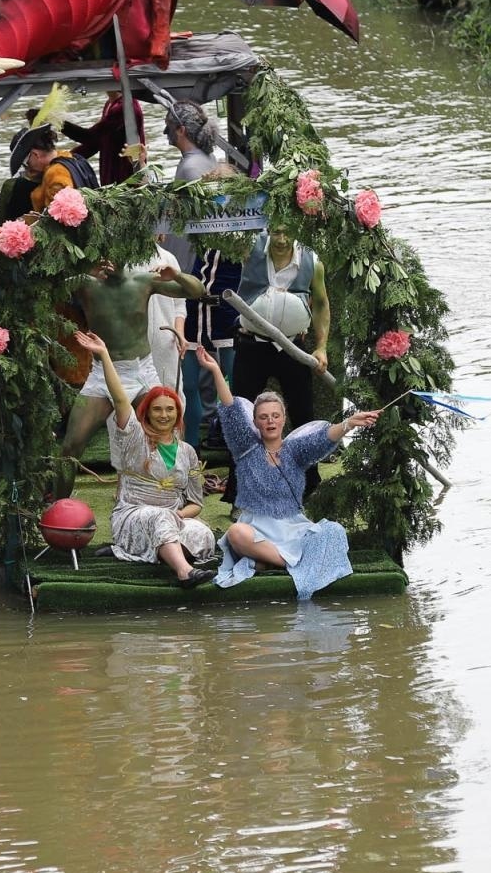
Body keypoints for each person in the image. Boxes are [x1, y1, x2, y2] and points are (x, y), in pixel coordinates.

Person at [195, 346, 380, 598]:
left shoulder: (295, 450)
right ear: (255, 422)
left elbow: (322, 438)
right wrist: (216, 370)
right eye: (263, 417)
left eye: (275, 416)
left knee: (334, 531)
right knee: (236, 533)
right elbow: (231, 411)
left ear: (283, 419)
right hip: (256, 529)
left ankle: (267, 562)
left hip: (293, 527)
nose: (270, 421)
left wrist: (349, 423)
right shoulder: (245, 447)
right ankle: (293, 564)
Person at [73, 331, 218, 588]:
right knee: (159, 519)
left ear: (178, 414)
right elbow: (120, 399)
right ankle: (185, 572)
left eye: (170, 409)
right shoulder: (134, 436)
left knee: (203, 533)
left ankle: (147, 551)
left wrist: (179, 514)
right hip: (132, 514)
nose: (164, 415)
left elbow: (196, 503)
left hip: (172, 516)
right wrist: (104, 355)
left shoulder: (188, 452)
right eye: (157, 409)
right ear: (147, 413)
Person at [57, 258, 205, 496]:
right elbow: (45, 291)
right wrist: (82, 272)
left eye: (116, 253)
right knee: (71, 445)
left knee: (170, 435)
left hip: (141, 372)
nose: (109, 259)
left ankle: (179, 498)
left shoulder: (143, 281)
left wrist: (177, 275)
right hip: (102, 374)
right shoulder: (85, 283)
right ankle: (56, 505)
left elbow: (197, 291)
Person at [224, 229, 331, 501]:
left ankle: (309, 487)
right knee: (241, 417)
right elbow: (218, 234)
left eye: (288, 233)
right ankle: (237, 493)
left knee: (304, 416)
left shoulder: (312, 259)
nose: (282, 240)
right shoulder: (247, 246)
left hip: (294, 348)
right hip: (252, 345)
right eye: (277, 232)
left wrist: (321, 347)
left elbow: (320, 303)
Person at [180, 240, 243, 450]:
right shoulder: (196, 234)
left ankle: (236, 442)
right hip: (193, 312)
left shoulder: (246, 234)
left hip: (229, 311)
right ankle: (192, 447)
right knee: (189, 384)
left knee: (236, 382)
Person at [1, 124, 98, 224]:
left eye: (26, 163)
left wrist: (26, 221)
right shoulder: (74, 158)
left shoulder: (55, 175)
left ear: (35, 154)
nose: (28, 170)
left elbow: (57, 222)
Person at [60, 91, 146, 185]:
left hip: (125, 176)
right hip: (111, 171)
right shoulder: (110, 103)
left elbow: (90, 137)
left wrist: (59, 122)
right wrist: (68, 158)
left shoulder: (124, 108)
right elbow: (98, 142)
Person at [144, 237, 187, 391]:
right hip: (133, 342)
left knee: (169, 391)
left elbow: (179, 303)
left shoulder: (168, 258)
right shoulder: (122, 260)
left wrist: (179, 333)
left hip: (166, 341)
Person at [164, 100, 217, 182]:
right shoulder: (210, 156)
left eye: (168, 127)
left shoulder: (189, 168)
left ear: (181, 131)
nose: (164, 132)